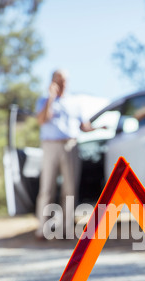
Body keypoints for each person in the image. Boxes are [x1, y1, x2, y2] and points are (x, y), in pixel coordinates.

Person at [35, 69, 96, 240]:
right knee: (47, 188)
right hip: (50, 146)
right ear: (53, 81)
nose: (63, 83)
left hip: (70, 145)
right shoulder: (43, 101)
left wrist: (100, 128)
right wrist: (51, 98)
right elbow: (41, 120)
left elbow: (84, 126)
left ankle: (66, 229)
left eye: (65, 80)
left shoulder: (75, 102)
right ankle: (42, 229)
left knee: (69, 189)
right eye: (59, 80)